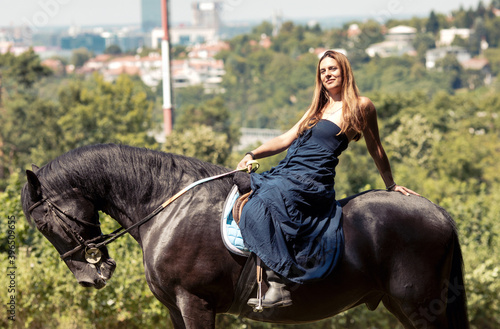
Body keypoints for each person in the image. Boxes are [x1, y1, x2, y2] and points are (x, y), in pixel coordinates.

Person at [234, 50, 419, 309]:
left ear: (344, 71)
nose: (327, 74)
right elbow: (285, 139)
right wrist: (252, 153)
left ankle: (278, 282)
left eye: (332, 69)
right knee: (245, 191)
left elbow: (375, 147)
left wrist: (390, 184)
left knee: (261, 203)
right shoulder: (317, 108)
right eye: (322, 71)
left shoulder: (361, 105)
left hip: (312, 180)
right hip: (288, 172)